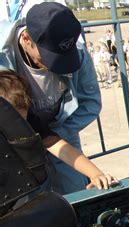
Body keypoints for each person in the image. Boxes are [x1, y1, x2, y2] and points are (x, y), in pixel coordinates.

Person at [0, 2, 101, 194]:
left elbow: (91, 103)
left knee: (75, 191)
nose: (55, 67)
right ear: (27, 39)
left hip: (59, 132)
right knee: (34, 197)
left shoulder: (77, 54)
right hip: (17, 145)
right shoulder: (3, 57)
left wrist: (55, 136)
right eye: (47, 57)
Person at [0, 70, 117, 189]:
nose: (20, 126)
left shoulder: (31, 122)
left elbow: (60, 147)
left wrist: (95, 174)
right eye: (12, 122)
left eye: (23, 119)